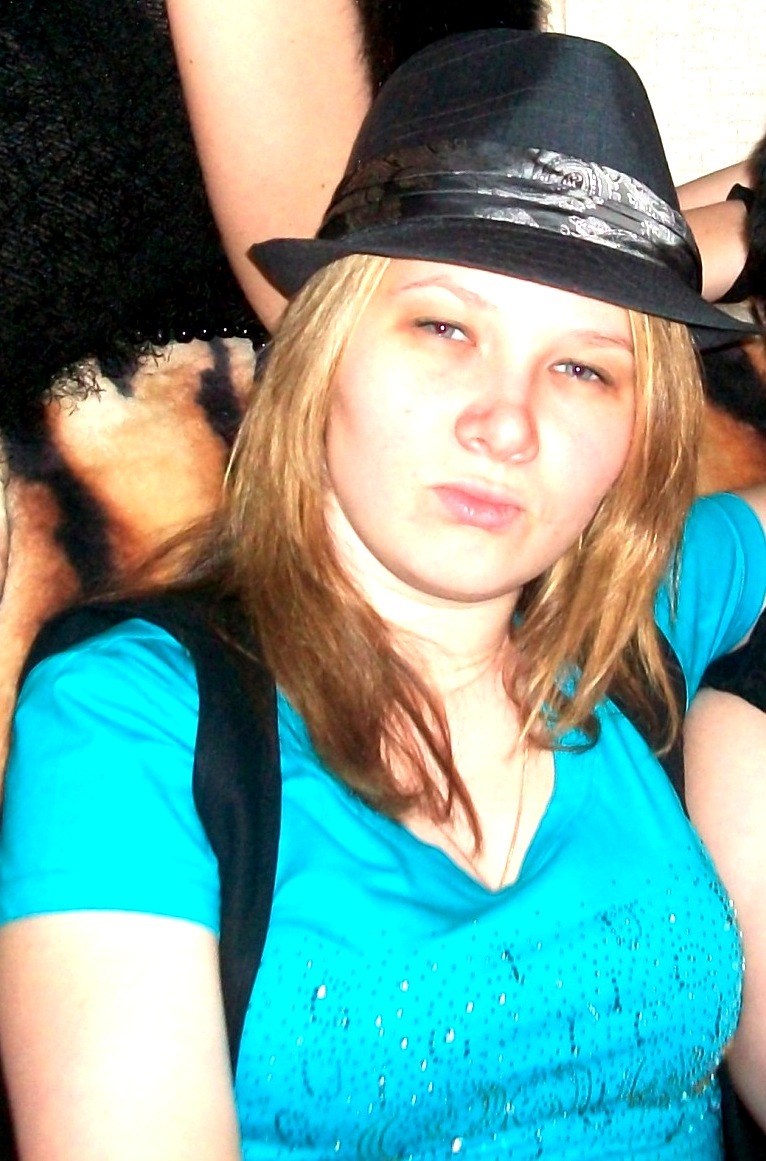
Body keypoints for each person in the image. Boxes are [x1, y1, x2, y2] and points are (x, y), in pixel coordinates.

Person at [0, 27, 764, 1161]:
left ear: (635, 436)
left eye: (581, 366)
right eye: (444, 327)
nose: (505, 423)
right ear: (324, 356)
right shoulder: (133, 718)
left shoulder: (641, 623)